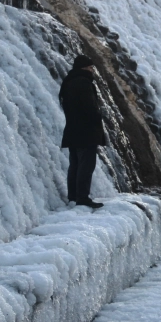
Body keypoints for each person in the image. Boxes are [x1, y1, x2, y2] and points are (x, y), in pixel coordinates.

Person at [59, 55, 105, 209]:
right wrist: (98, 117)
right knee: (86, 165)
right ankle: (83, 198)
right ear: (84, 68)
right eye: (91, 67)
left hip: (72, 129)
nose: (92, 70)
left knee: (75, 165)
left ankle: (73, 196)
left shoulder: (68, 82)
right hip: (86, 132)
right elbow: (89, 108)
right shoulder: (84, 83)